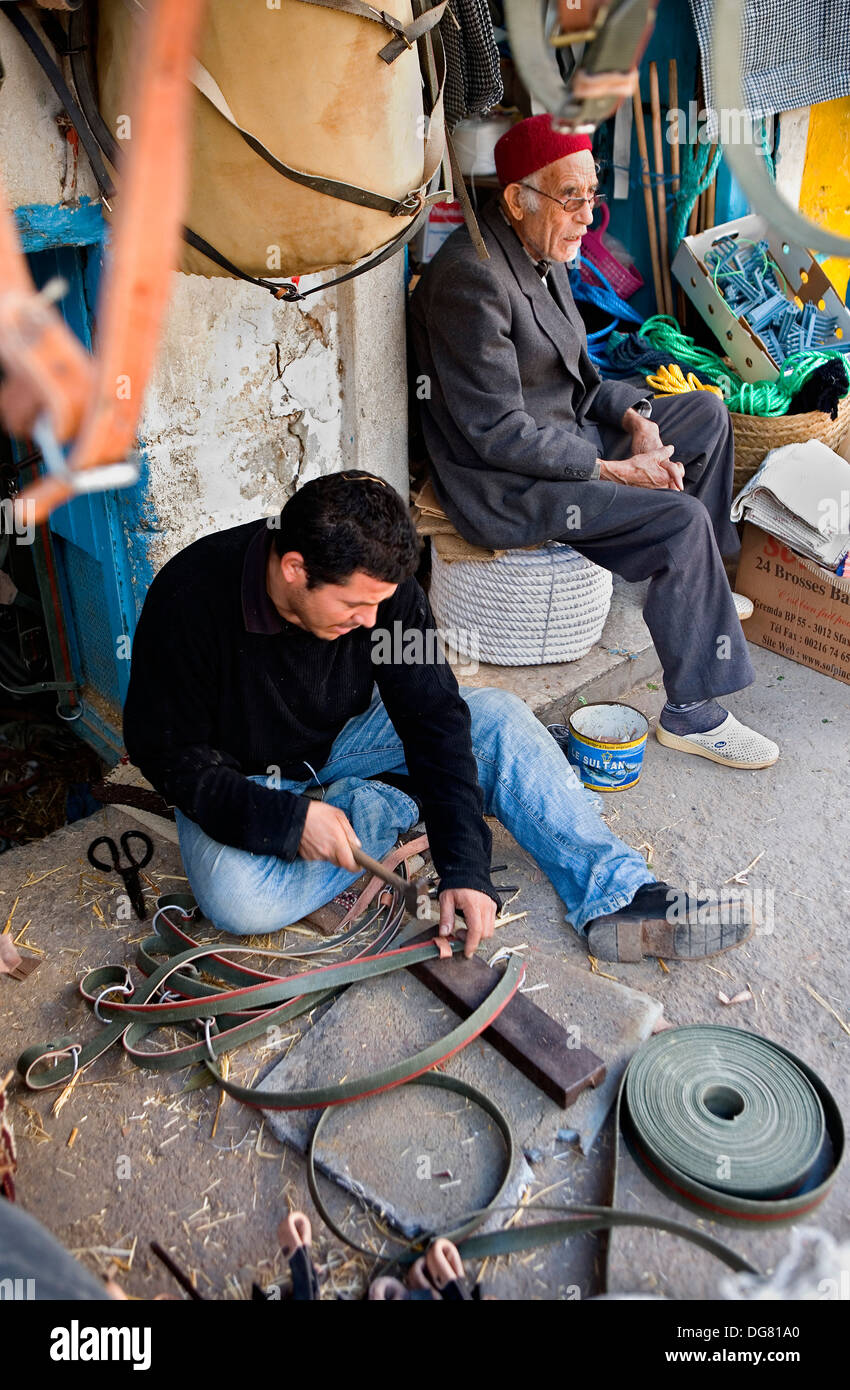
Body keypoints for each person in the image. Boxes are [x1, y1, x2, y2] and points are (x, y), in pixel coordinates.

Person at [123, 471, 750, 964]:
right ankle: (387, 805)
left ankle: (618, 895)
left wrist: (464, 866)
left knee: (497, 717)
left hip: (345, 737)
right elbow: (163, 752)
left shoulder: (387, 594)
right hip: (242, 774)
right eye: (353, 606)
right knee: (237, 897)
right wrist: (284, 821)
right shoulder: (189, 596)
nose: (370, 624)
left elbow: (433, 717)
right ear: (295, 571)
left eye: (379, 606)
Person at [409, 114, 779, 771]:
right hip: (505, 482)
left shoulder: (539, 249)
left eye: (592, 195)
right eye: (571, 198)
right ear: (517, 198)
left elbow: (578, 378)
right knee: (677, 515)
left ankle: (707, 590)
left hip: (559, 433)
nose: (587, 216)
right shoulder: (474, 279)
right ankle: (693, 712)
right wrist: (617, 470)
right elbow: (496, 432)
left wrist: (635, 418)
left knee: (706, 413)